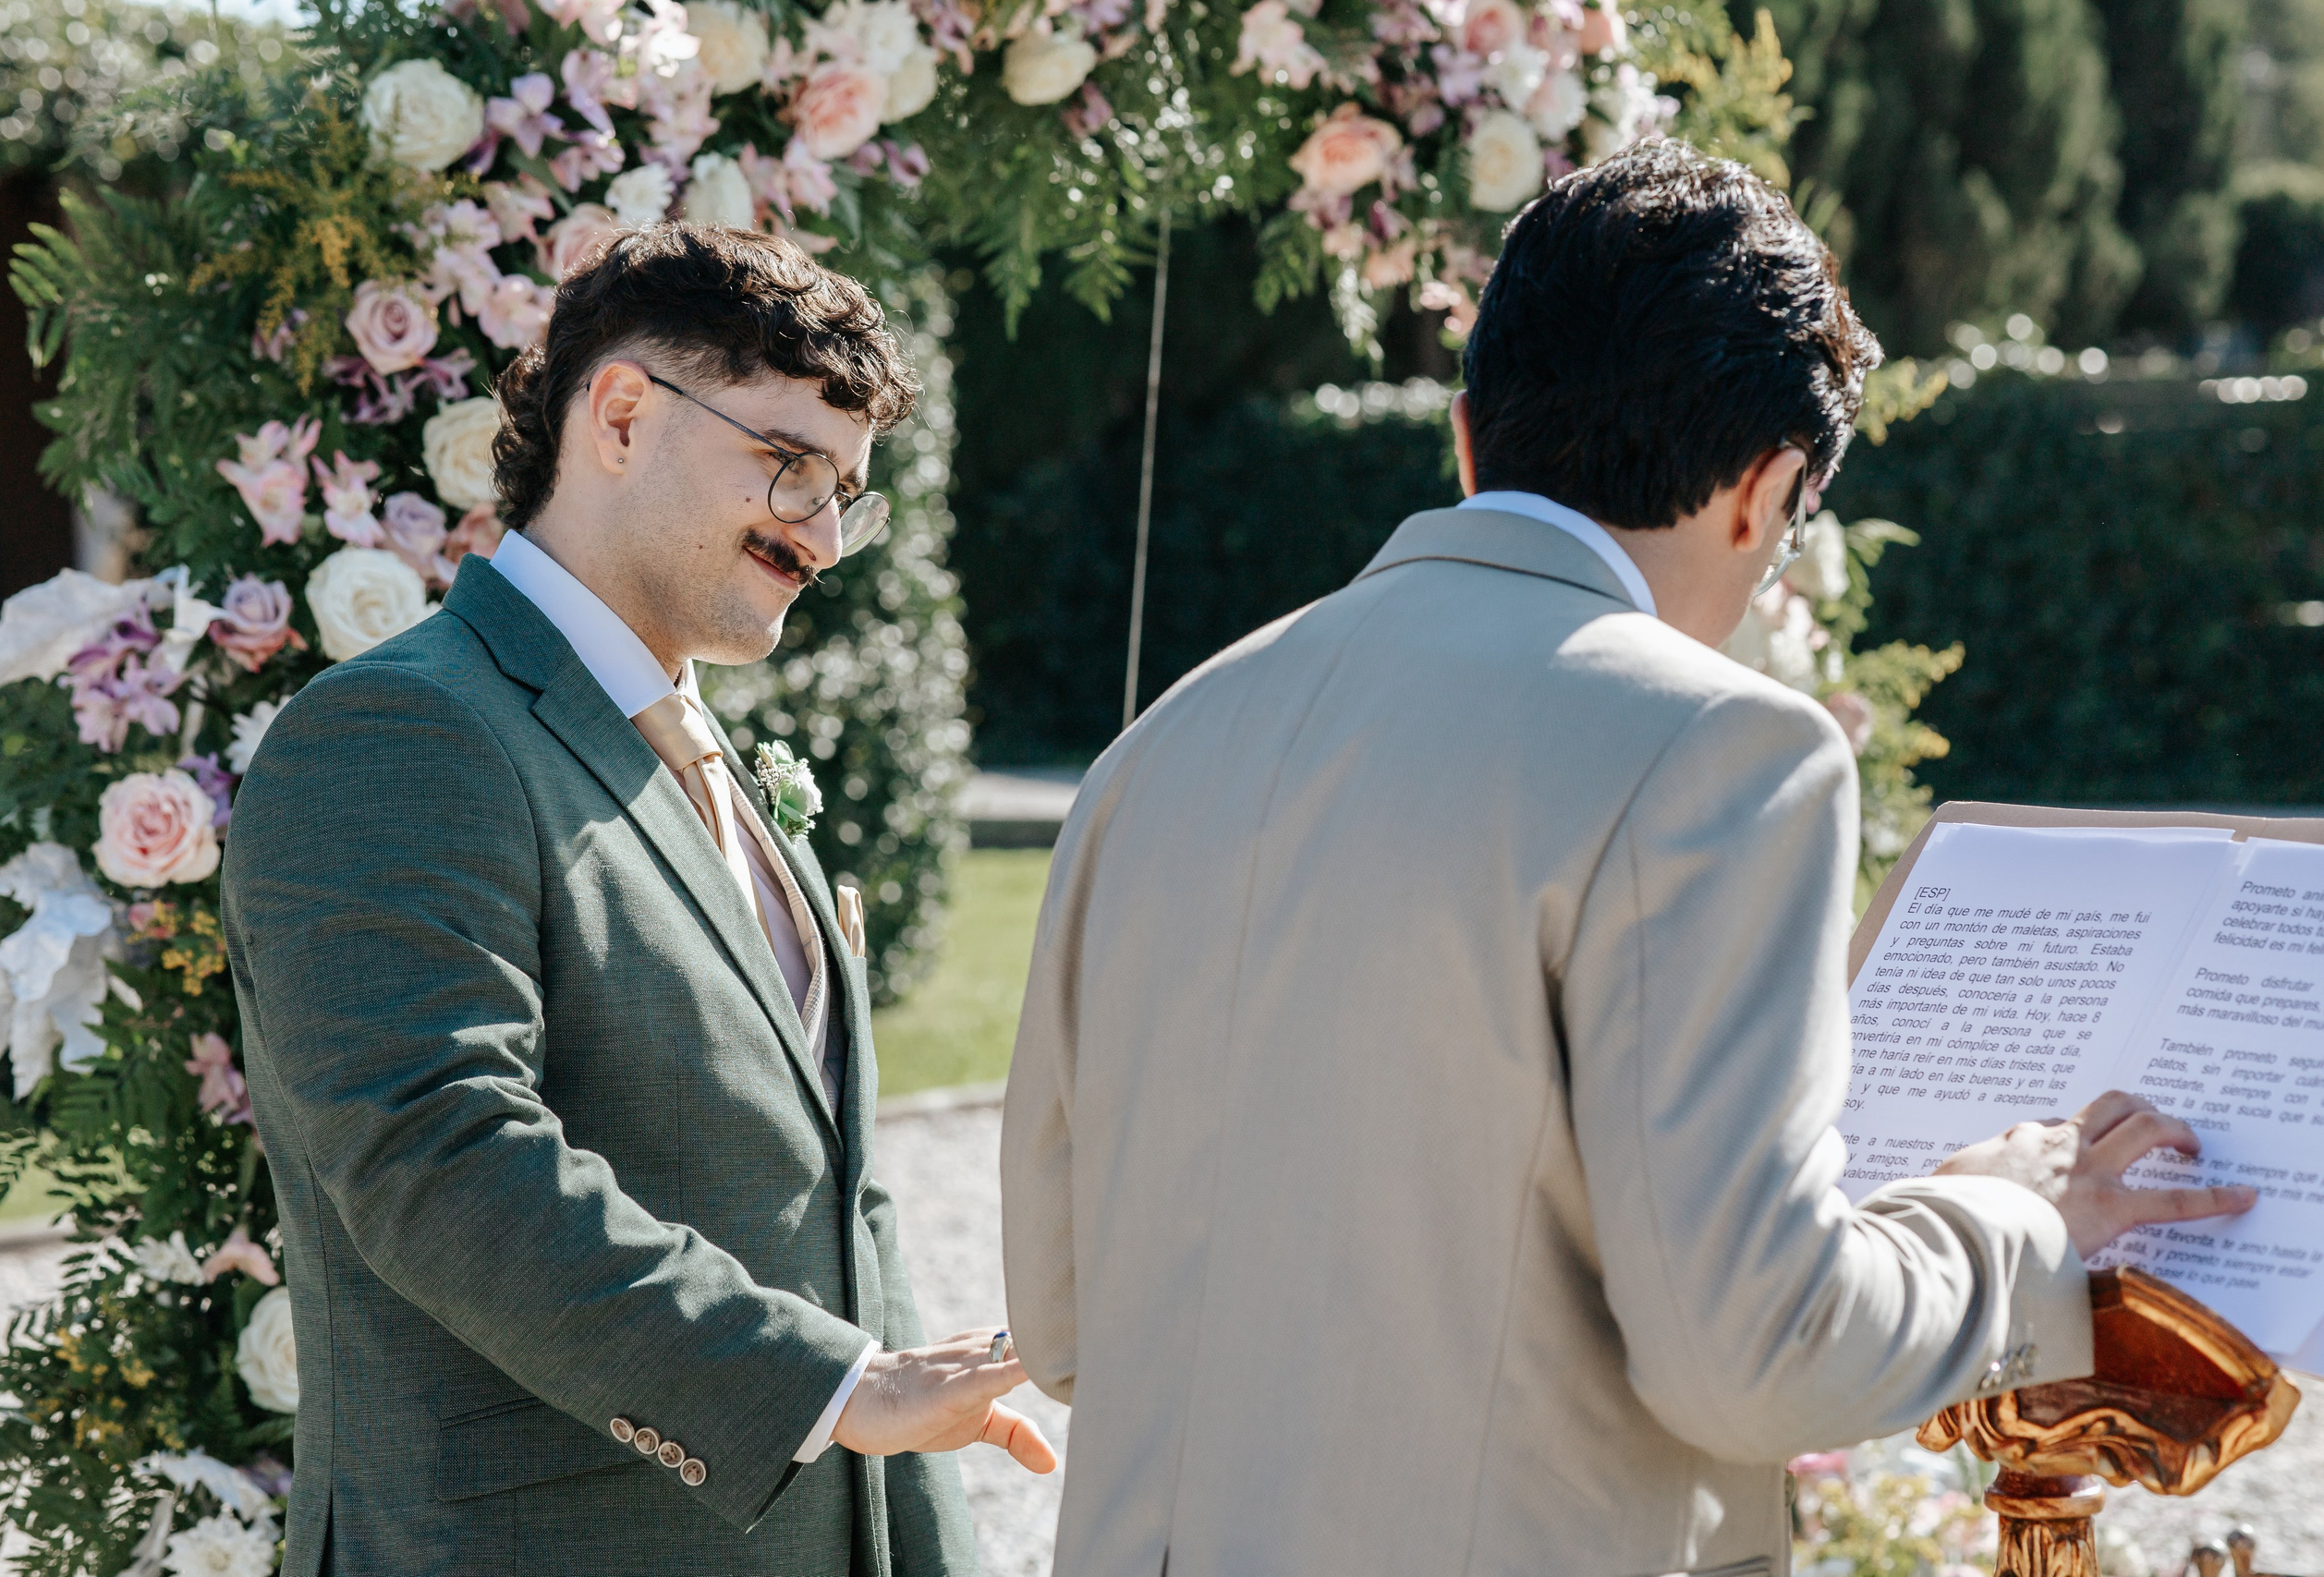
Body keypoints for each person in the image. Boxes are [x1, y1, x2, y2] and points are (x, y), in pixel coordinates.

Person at [997, 140, 2255, 1577]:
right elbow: (1756, 1353)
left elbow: (1063, 1314)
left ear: (1471, 439)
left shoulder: (1161, 743)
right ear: (1764, 491)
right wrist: (2008, 1217)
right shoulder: (1722, 750)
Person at [223, 224, 1052, 1577]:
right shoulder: (399, 735)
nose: (827, 538)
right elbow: (442, 1159)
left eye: (849, 492)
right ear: (619, 412)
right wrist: (828, 1390)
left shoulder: (708, 754)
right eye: (791, 469)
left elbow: (844, 1213)